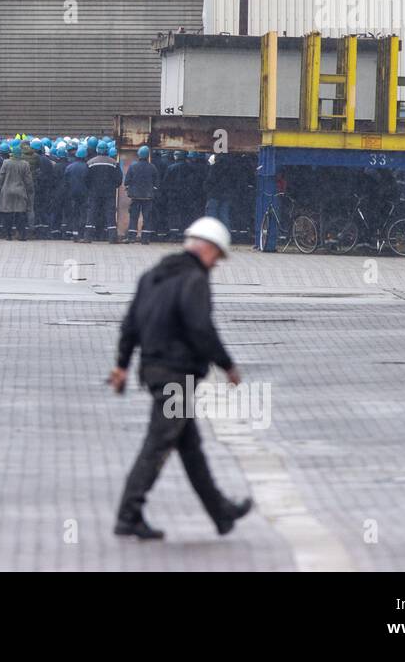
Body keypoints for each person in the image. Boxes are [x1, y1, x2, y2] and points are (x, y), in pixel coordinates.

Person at [107, 217, 251, 540]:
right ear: (206, 248)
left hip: (155, 371)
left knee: (191, 447)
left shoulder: (153, 276)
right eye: (217, 256)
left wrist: (121, 366)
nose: (216, 265)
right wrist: (227, 365)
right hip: (176, 376)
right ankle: (127, 515)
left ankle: (221, 512)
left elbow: (129, 325)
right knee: (157, 445)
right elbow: (200, 328)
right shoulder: (193, 279)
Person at [83, 146, 122, 243]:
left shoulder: (90, 162)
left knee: (92, 213)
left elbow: (86, 178)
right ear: (107, 151)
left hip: (94, 193)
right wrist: (113, 187)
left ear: (97, 150)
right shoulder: (113, 163)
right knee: (110, 214)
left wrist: (91, 188)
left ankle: (88, 237)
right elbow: (119, 179)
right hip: (109, 193)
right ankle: (112, 237)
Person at [0, 142, 35, 240]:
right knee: (20, 214)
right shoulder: (25, 164)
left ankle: (8, 235)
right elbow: (28, 180)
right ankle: (21, 235)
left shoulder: (6, 162)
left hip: (7, 190)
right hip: (20, 191)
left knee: (7, 214)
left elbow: (1, 176)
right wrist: (30, 189)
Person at [124, 146, 159, 244]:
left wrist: (129, 190)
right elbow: (156, 183)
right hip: (148, 197)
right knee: (147, 217)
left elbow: (127, 181)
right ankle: (145, 239)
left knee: (133, 217)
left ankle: (131, 237)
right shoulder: (152, 167)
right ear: (148, 155)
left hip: (135, 196)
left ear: (139, 154)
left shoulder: (133, 166)